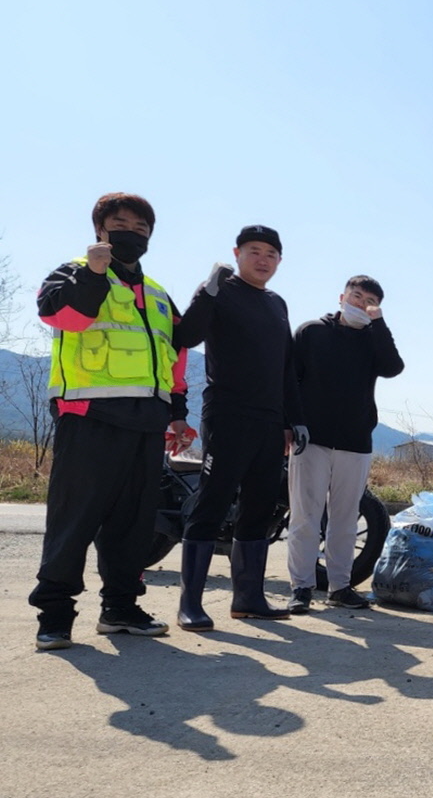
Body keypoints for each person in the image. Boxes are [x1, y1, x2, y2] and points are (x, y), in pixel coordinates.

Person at [30, 192, 192, 650]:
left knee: (134, 524)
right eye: (121, 223)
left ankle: (120, 608)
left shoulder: (158, 293)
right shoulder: (72, 272)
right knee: (74, 519)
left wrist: (177, 415)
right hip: (89, 415)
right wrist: (95, 272)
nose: (132, 233)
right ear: (100, 229)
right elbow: (63, 316)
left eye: (141, 228)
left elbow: (174, 356)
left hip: (146, 421)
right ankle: (55, 614)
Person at [174, 225, 306, 630]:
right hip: (228, 415)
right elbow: (186, 335)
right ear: (237, 253)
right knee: (212, 502)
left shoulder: (277, 303)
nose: (263, 259)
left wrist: (293, 419)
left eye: (271, 253)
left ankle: (248, 597)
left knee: (260, 506)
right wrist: (206, 291)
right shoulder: (219, 290)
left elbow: (287, 369)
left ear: (279, 261)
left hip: (269, 422)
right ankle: (189, 604)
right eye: (254, 251)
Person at [286, 275, 404, 613]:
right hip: (312, 438)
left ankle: (340, 586)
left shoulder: (372, 339)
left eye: (369, 300)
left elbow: (393, 367)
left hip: (355, 440)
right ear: (341, 297)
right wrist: (289, 425)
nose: (361, 303)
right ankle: (302, 587)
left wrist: (378, 324)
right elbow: (290, 379)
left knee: (346, 518)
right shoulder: (311, 332)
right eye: (356, 296)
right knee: (306, 516)